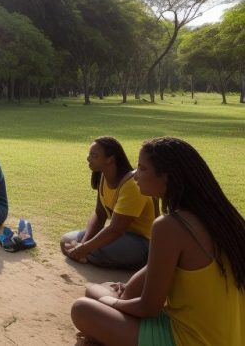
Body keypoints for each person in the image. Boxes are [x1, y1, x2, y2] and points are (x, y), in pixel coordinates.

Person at [71, 137, 245, 345]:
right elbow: (144, 281)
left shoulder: (170, 226)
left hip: (189, 339)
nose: (135, 175)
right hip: (226, 336)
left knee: (83, 308)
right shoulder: (226, 220)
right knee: (95, 291)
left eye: (142, 169)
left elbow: (148, 308)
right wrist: (121, 294)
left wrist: (112, 301)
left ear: (166, 177)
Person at [61, 137, 156, 270]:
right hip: (119, 237)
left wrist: (84, 248)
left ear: (110, 159)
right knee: (66, 240)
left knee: (93, 249)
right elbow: (99, 215)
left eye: (94, 155)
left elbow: (117, 229)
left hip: (140, 242)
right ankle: (89, 255)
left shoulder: (131, 185)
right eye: (89, 154)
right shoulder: (103, 176)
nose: (88, 158)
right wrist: (82, 244)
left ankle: (92, 255)